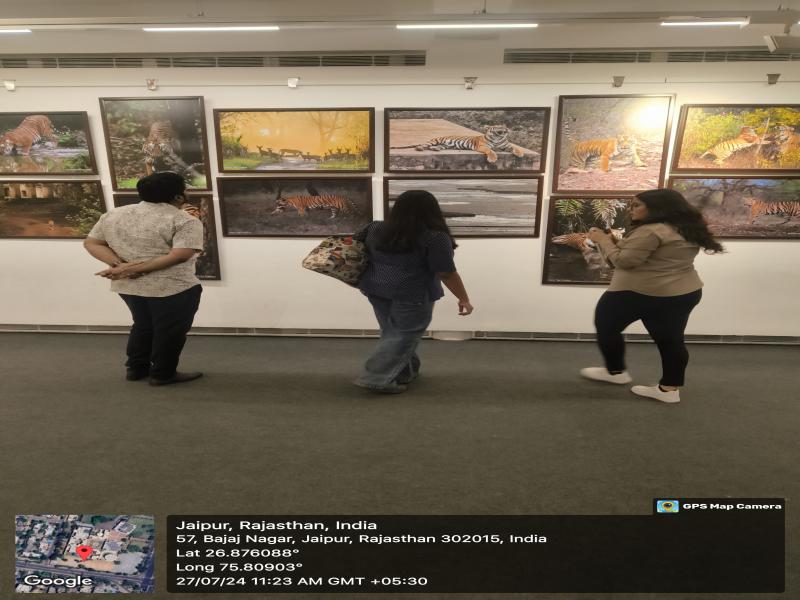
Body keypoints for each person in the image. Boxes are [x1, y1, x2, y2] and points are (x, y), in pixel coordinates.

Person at [580, 188, 724, 404]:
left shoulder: (651, 230)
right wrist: (612, 242)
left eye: (637, 205)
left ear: (657, 208)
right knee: (671, 340)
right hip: (683, 292)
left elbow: (624, 262)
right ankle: (669, 390)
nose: (631, 209)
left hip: (639, 292)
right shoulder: (687, 226)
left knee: (606, 327)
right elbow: (646, 255)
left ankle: (615, 372)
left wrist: (602, 240)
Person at [83, 172, 204, 386]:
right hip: (173, 287)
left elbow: (92, 243)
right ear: (178, 196)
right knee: (170, 330)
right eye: (185, 189)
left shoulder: (115, 214)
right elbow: (180, 255)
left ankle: (137, 368)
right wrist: (129, 268)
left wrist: (120, 267)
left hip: (128, 286)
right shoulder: (183, 219)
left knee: (142, 324)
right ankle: (163, 373)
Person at [352, 190, 474, 393]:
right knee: (402, 336)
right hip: (412, 293)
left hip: (376, 289)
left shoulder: (375, 227)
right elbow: (445, 272)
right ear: (432, 210)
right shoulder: (435, 236)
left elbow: (354, 245)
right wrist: (464, 298)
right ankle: (376, 379)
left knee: (393, 333)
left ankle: (404, 372)